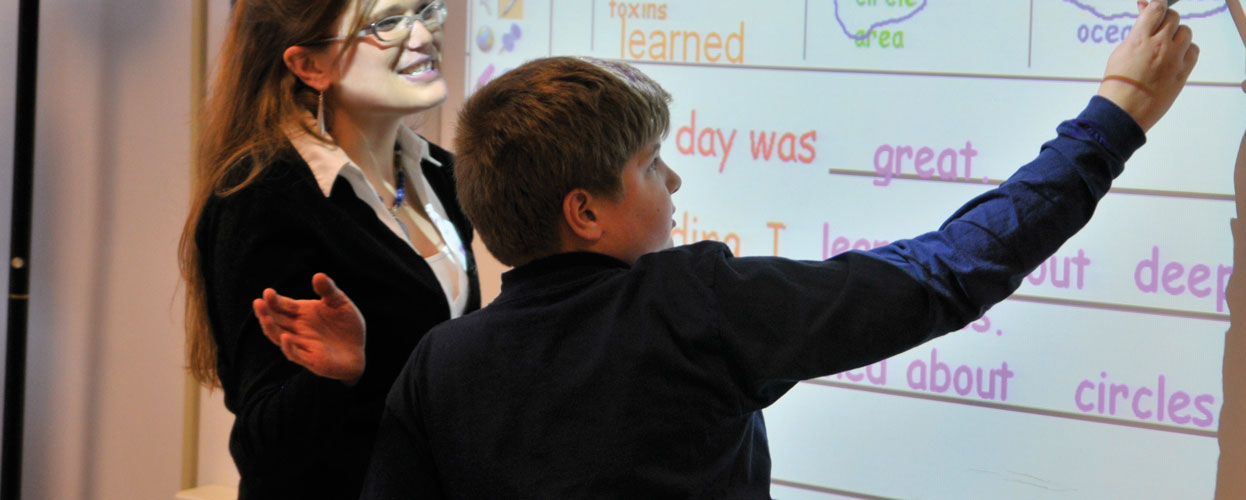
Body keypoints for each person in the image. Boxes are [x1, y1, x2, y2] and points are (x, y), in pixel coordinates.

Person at [361, 1, 1196, 497]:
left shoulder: (441, 364)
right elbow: (944, 274)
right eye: (652, 166)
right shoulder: (686, 307)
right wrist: (1113, 118)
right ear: (586, 211)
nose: (677, 182)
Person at [177, 0, 478, 498]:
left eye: (426, 10)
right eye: (386, 24)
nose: (423, 36)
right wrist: (333, 378)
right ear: (310, 66)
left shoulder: (443, 177)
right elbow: (263, 448)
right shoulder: (260, 198)